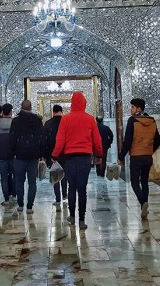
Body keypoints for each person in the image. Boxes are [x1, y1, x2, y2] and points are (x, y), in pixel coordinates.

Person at [52, 92, 103, 230]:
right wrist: (99, 155)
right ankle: (81, 220)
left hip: (70, 159)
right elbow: (97, 140)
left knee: (72, 188)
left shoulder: (66, 119)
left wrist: (55, 155)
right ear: (84, 103)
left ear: (72, 103)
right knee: (82, 189)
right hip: (85, 158)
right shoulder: (90, 119)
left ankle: (72, 216)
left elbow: (60, 140)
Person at [118, 98, 160, 220]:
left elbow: (127, 141)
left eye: (132, 107)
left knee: (134, 182)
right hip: (148, 157)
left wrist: (121, 156)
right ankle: (144, 207)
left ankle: (143, 203)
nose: (130, 109)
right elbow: (158, 140)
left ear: (139, 109)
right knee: (145, 181)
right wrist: (149, 150)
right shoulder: (152, 121)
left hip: (136, 157)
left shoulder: (132, 121)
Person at [9, 100, 45, 214]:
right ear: (31, 107)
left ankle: (20, 205)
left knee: (19, 181)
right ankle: (30, 206)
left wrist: (13, 152)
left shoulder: (15, 121)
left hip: (19, 156)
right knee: (32, 182)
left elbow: (11, 138)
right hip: (33, 156)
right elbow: (42, 138)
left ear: (21, 107)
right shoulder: (37, 120)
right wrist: (42, 155)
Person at [44, 104, 67, 211]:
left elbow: (45, 140)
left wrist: (45, 155)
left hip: (52, 154)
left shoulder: (48, 123)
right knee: (64, 174)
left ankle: (58, 199)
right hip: (66, 153)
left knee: (55, 174)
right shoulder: (66, 122)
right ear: (61, 111)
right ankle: (65, 195)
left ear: (53, 112)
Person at [0, 103, 15, 206]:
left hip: (1, 154)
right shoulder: (15, 124)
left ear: (2, 112)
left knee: (4, 178)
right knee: (16, 175)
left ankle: (6, 199)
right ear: (11, 112)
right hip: (13, 155)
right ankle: (15, 195)